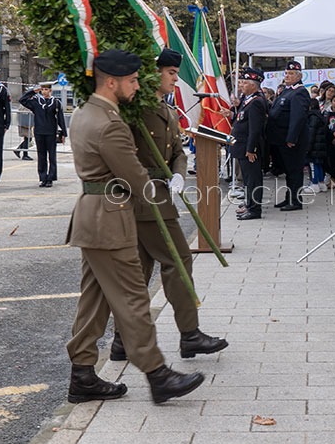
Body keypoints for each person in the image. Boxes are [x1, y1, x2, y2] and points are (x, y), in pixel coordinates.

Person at [66, 48, 204, 405]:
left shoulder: (84, 113)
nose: (134, 86)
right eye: (130, 80)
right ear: (111, 82)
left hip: (91, 216)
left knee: (95, 299)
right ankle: (158, 374)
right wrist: (163, 198)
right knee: (132, 297)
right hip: (111, 218)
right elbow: (137, 178)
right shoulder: (110, 123)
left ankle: (83, 373)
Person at [108, 48, 229, 360]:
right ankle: (190, 335)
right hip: (144, 197)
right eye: (171, 73)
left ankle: (122, 341)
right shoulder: (137, 106)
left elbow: (178, 150)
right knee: (177, 260)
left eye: (176, 73)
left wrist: (177, 175)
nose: (176, 79)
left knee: (139, 272)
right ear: (153, 73)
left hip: (162, 193)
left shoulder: (167, 109)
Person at [266, 60, 310, 210]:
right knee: (288, 171)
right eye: (286, 73)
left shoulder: (300, 92)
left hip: (292, 141)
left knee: (294, 171)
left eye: (291, 73)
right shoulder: (286, 90)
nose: (287, 76)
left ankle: (295, 201)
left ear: (298, 76)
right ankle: (289, 198)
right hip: (280, 139)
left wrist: (292, 138)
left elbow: (298, 118)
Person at [230, 66, 268, 221]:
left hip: (249, 148)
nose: (241, 85)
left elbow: (255, 129)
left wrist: (251, 149)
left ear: (253, 84)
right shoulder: (248, 100)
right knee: (247, 179)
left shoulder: (257, 101)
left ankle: (254, 209)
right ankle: (249, 203)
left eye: (244, 82)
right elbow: (242, 119)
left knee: (253, 179)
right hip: (242, 146)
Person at [19, 81, 67, 187]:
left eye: (46, 89)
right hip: (39, 131)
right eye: (43, 89)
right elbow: (22, 100)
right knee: (41, 155)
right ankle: (43, 177)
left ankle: (51, 177)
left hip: (51, 132)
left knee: (52, 155)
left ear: (50, 91)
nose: (44, 92)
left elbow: (60, 119)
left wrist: (63, 133)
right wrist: (32, 92)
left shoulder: (55, 102)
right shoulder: (36, 102)